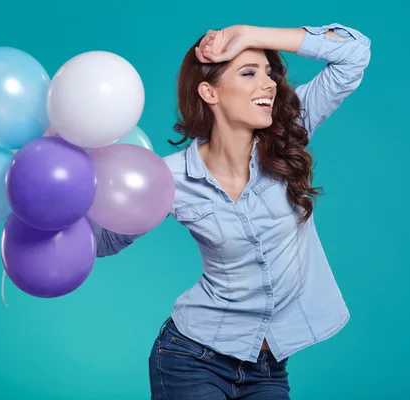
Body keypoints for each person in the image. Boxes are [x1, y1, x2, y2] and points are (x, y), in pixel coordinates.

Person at [94, 22, 371, 400]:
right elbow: (105, 240)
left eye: (270, 73)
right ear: (210, 92)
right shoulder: (169, 177)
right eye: (248, 73)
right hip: (191, 358)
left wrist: (249, 34)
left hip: (268, 370)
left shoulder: (288, 133)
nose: (270, 83)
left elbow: (353, 53)